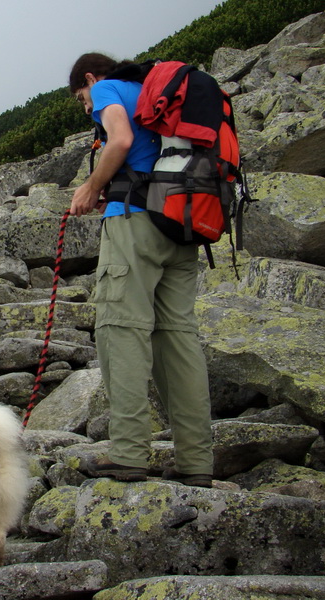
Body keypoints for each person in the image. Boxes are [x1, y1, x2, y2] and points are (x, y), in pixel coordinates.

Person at [69, 52, 214, 487]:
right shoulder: (156, 93)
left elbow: (120, 142)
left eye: (81, 96)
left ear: (91, 78)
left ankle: (130, 453)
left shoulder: (109, 89)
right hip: (181, 220)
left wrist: (92, 186)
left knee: (121, 328)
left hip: (134, 221)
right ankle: (197, 464)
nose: (86, 105)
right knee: (178, 338)